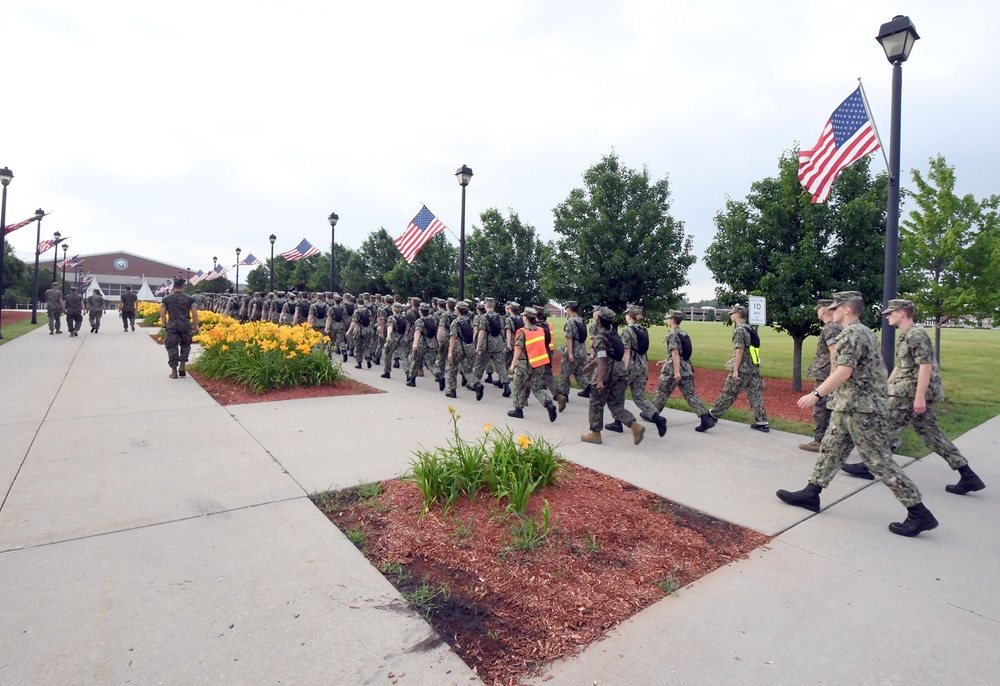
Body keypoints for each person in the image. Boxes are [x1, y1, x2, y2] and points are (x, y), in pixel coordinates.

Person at [777, 291, 939, 537]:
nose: (832, 312)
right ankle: (812, 493)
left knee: (878, 460)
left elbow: (844, 371)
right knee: (831, 449)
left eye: (835, 308)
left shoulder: (852, 334)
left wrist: (816, 395)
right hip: (849, 405)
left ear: (847, 309)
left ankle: (918, 511)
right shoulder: (862, 332)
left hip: (861, 408)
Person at [840, 299, 985, 495]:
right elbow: (902, 365)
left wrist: (919, 397)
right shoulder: (907, 335)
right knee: (931, 435)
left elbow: (925, 366)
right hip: (905, 390)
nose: (888, 316)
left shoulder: (916, 335)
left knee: (882, 428)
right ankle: (968, 476)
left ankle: (869, 467)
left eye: (890, 313)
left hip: (909, 394)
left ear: (902, 313)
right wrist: (887, 384)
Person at [580, 307, 644, 446]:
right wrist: (590, 365)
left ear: (598, 319)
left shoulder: (600, 337)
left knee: (596, 402)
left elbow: (603, 359)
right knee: (615, 404)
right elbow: (609, 354)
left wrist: (600, 380)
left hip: (608, 372)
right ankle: (634, 425)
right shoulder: (614, 334)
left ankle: (595, 434)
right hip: (620, 371)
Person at [707, 304, 769, 432]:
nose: (730, 315)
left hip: (743, 368)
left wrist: (735, 369)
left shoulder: (740, 330)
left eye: (732, 314)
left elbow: (740, 350)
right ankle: (762, 422)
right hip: (753, 367)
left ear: (737, 315)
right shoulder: (750, 328)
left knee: (729, 392)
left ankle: (713, 415)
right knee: (755, 394)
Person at [652, 310, 716, 432]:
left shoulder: (672, 334)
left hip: (674, 369)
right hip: (686, 367)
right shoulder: (684, 333)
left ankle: (653, 413)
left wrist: (676, 371)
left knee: (662, 391)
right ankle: (705, 418)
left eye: (668, 318)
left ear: (672, 320)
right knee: (690, 394)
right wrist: (665, 360)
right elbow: (681, 354)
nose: (666, 321)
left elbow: (675, 353)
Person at [615, 305, 666, 436]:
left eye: (627, 314)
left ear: (630, 316)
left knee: (618, 393)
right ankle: (656, 417)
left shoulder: (627, 330)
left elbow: (626, 351)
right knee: (639, 395)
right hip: (642, 365)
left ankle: (617, 422)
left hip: (631, 365)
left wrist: (623, 369)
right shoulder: (644, 330)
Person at [800, 298, 842, 451]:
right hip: (829, 373)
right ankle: (830, 440)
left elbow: (834, 353)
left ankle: (820, 441)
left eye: (818, 309)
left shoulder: (830, 328)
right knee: (829, 407)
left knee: (821, 407)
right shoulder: (837, 326)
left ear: (823, 310)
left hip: (826, 374)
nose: (817, 311)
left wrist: (832, 377)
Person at [507, 307, 558, 422]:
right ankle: (549, 404)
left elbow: (519, 349)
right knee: (537, 387)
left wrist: (512, 364)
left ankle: (518, 410)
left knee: (518, 386)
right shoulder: (540, 330)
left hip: (524, 364)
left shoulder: (522, 331)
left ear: (525, 318)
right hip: (539, 363)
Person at [159, 278, 200, 379]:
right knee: (185, 345)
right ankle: (182, 365)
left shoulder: (166, 299)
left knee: (172, 347)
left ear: (173, 287)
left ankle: (174, 372)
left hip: (172, 326)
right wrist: (195, 325)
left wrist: (164, 325)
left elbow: (162, 313)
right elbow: (194, 314)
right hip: (185, 326)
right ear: (183, 286)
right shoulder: (190, 299)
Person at [558, 301, 592, 400]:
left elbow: (569, 338)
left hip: (574, 351)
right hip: (582, 351)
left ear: (569, 309)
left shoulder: (570, 322)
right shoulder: (581, 320)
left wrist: (569, 353)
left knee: (564, 374)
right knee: (579, 373)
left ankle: (564, 394)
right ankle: (590, 387)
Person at [444, 301, 475, 398]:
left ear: (458, 310)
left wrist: (450, 352)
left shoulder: (455, 322)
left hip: (458, 348)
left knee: (452, 368)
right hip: (470, 346)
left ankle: (451, 390)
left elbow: (453, 337)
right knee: (468, 369)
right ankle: (476, 384)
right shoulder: (471, 321)